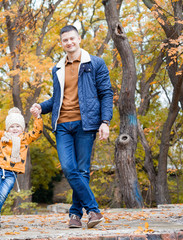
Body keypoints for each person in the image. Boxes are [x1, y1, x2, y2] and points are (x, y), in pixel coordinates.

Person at [31, 25, 113, 229]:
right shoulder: (57, 68)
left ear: (79, 39)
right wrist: (41, 106)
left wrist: (105, 122)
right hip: (62, 125)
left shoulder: (95, 63)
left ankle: (75, 215)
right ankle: (93, 210)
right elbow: (58, 99)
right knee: (69, 168)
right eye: (65, 40)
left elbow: (106, 94)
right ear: (61, 43)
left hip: (86, 123)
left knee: (82, 170)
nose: (69, 42)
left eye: (72, 39)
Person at [0, 107, 43, 228]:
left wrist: (37, 118)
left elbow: (37, 131)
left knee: (3, 193)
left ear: (22, 128)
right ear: (7, 127)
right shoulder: (3, 136)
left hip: (12, 172)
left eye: (17, 126)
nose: (14, 129)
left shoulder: (25, 138)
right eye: (12, 126)